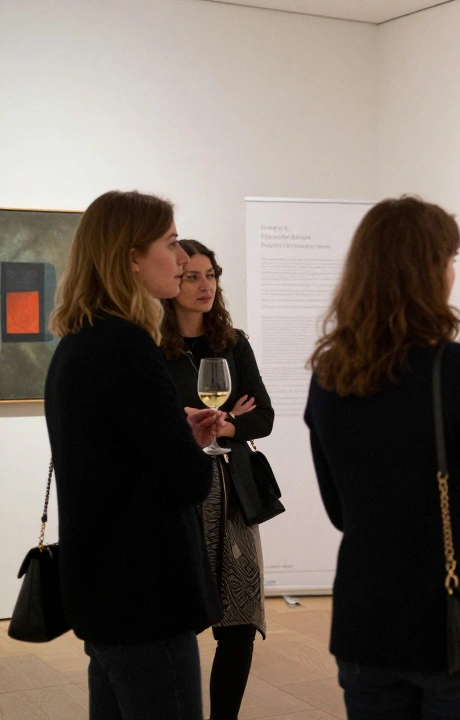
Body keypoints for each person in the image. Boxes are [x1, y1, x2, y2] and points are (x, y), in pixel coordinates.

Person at [304, 195, 460, 720]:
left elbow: (341, 512)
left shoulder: (330, 373)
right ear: (427, 272)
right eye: (449, 260)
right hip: (455, 620)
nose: (453, 273)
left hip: (365, 619)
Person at [44, 190, 223, 719]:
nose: (185, 260)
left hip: (102, 590)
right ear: (131, 258)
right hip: (143, 594)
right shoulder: (126, 345)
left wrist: (170, 429)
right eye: (170, 244)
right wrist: (190, 444)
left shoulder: (80, 341)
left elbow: (113, 455)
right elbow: (190, 481)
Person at [160, 238, 275, 720]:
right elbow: (161, 424)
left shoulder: (233, 343)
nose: (205, 285)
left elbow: (263, 416)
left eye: (212, 275)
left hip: (233, 495)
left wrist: (226, 424)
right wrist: (223, 418)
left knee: (240, 623)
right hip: (180, 496)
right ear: (172, 282)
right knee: (177, 622)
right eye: (193, 276)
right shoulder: (151, 347)